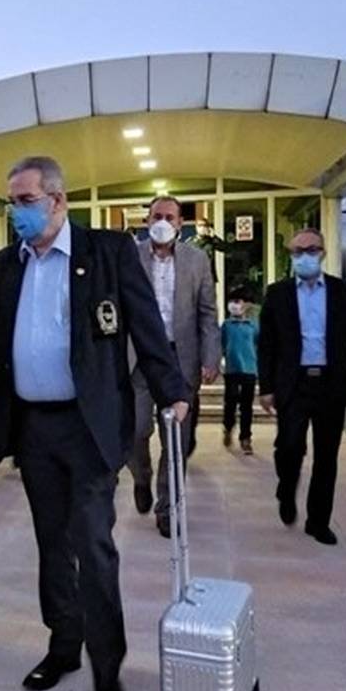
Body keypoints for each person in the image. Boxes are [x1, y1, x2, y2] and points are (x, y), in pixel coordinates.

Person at [0, 156, 190, 691]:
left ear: (57, 200)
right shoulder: (8, 263)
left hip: (89, 425)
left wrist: (171, 389)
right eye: (11, 202)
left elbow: (145, 323)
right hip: (33, 425)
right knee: (51, 543)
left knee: (92, 543)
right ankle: (63, 645)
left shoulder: (107, 252)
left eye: (25, 201)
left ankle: (106, 664)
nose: (16, 212)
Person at [258, 227, 346, 546]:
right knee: (289, 447)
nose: (304, 257)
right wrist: (266, 387)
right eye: (297, 252)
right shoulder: (277, 294)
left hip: (331, 384)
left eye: (310, 250)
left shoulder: (343, 292)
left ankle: (318, 521)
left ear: (322, 253)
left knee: (327, 456)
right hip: (293, 384)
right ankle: (286, 488)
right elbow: (266, 344)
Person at [126, 195, 219, 537]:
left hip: (181, 359)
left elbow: (207, 313)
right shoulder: (130, 257)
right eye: (156, 216)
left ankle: (168, 509)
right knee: (135, 430)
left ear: (181, 223)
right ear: (147, 221)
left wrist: (211, 356)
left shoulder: (198, 260)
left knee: (176, 440)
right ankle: (141, 476)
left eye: (169, 217)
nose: (162, 222)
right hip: (138, 359)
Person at [221, 286, 260, 455]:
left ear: (246, 305)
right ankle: (228, 427)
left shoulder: (253, 326)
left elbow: (259, 344)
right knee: (230, 403)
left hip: (249, 370)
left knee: (246, 406)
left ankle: (245, 437)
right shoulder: (227, 325)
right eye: (232, 301)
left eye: (238, 301)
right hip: (231, 370)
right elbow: (221, 344)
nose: (234, 305)